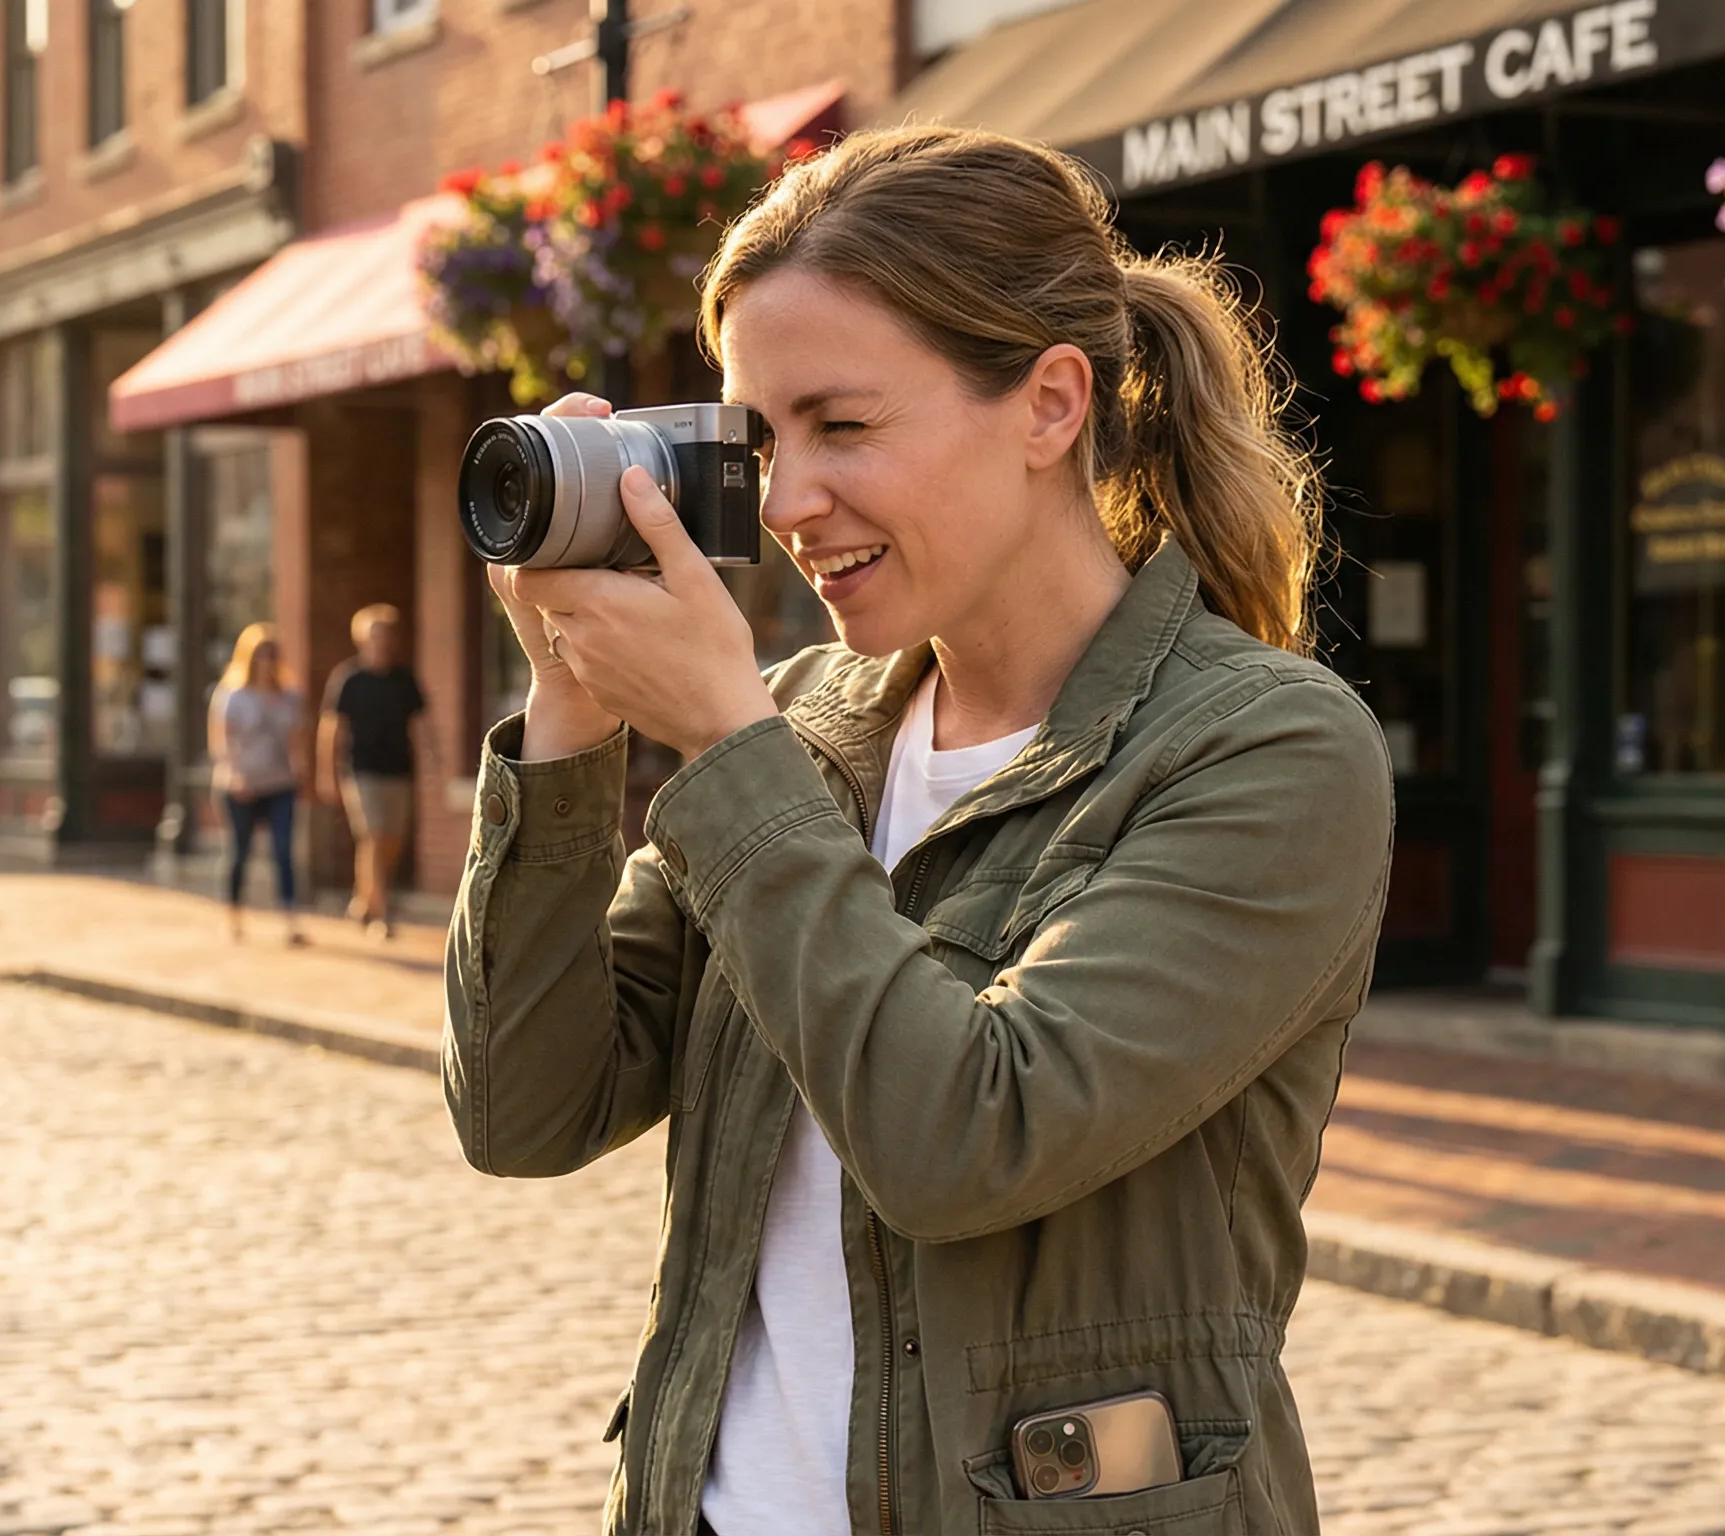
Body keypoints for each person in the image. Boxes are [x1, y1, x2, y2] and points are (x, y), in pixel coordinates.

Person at [445, 126, 1392, 1536]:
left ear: (1049, 406)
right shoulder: (804, 730)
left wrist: (725, 751)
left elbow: (968, 1137)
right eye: (761, 443)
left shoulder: (1266, 748)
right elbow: (525, 1111)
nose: (785, 505)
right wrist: (571, 706)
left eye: (845, 425)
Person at [317, 604, 429, 938]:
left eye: (386, 635)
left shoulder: (405, 679)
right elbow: (331, 729)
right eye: (375, 635)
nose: (381, 642)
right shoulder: (349, 679)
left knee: (391, 841)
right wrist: (327, 774)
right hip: (361, 770)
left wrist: (432, 760)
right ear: (362, 639)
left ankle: (364, 899)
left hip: (399, 769)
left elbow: (421, 724)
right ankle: (382, 916)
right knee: (374, 837)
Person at [209, 623, 306, 946]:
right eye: (260, 654)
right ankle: (233, 915)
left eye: (271, 654)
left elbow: (295, 740)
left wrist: (299, 769)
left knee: (283, 850)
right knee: (240, 852)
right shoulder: (232, 696)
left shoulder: (289, 697)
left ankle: (290, 920)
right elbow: (220, 742)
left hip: (279, 783)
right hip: (241, 786)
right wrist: (235, 775)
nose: (266, 660)